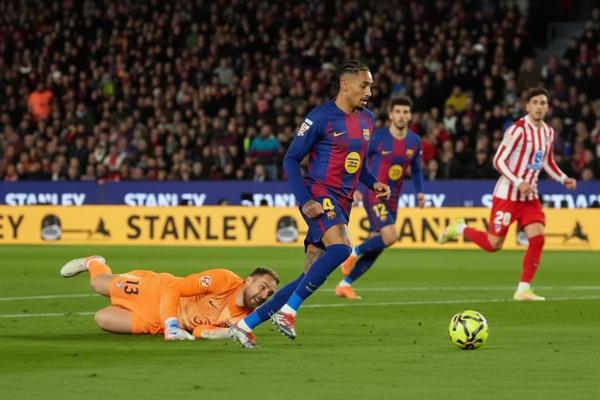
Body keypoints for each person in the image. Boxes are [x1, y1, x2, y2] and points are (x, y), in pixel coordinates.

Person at [229, 60, 391, 348]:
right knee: (342, 248)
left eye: (371, 86)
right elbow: (291, 159)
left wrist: (373, 183)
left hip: (343, 201)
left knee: (308, 276)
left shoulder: (367, 118)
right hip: (320, 194)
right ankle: (289, 311)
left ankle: (245, 325)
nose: (370, 91)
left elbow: (358, 163)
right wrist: (305, 200)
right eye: (365, 85)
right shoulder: (320, 117)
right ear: (345, 84)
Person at [438, 88, 577, 301]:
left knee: (538, 238)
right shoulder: (517, 130)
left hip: (529, 197)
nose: (539, 106)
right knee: (493, 245)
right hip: (507, 196)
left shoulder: (548, 132)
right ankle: (459, 228)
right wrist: (519, 181)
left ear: (548, 107)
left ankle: (523, 289)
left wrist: (563, 178)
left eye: (543, 103)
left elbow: (547, 161)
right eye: (535, 102)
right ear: (527, 106)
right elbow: (498, 161)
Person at [60, 255, 279, 340]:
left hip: (157, 323)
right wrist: (171, 325)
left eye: (268, 293)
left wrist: (226, 333)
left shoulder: (244, 318)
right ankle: (94, 262)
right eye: (262, 287)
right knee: (99, 284)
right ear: (248, 280)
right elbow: (174, 288)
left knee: (103, 319)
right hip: (156, 292)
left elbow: (200, 330)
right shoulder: (224, 280)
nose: (263, 296)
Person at [337, 95, 425, 299]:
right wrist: (355, 187)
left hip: (393, 199)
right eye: (398, 112)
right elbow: (357, 161)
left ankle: (345, 285)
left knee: (379, 244)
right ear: (391, 115)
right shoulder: (377, 138)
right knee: (391, 236)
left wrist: (420, 191)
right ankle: (352, 253)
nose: (401, 116)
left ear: (410, 115)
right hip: (374, 193)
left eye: (405, 112)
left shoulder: (414, 141)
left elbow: (417, 169)